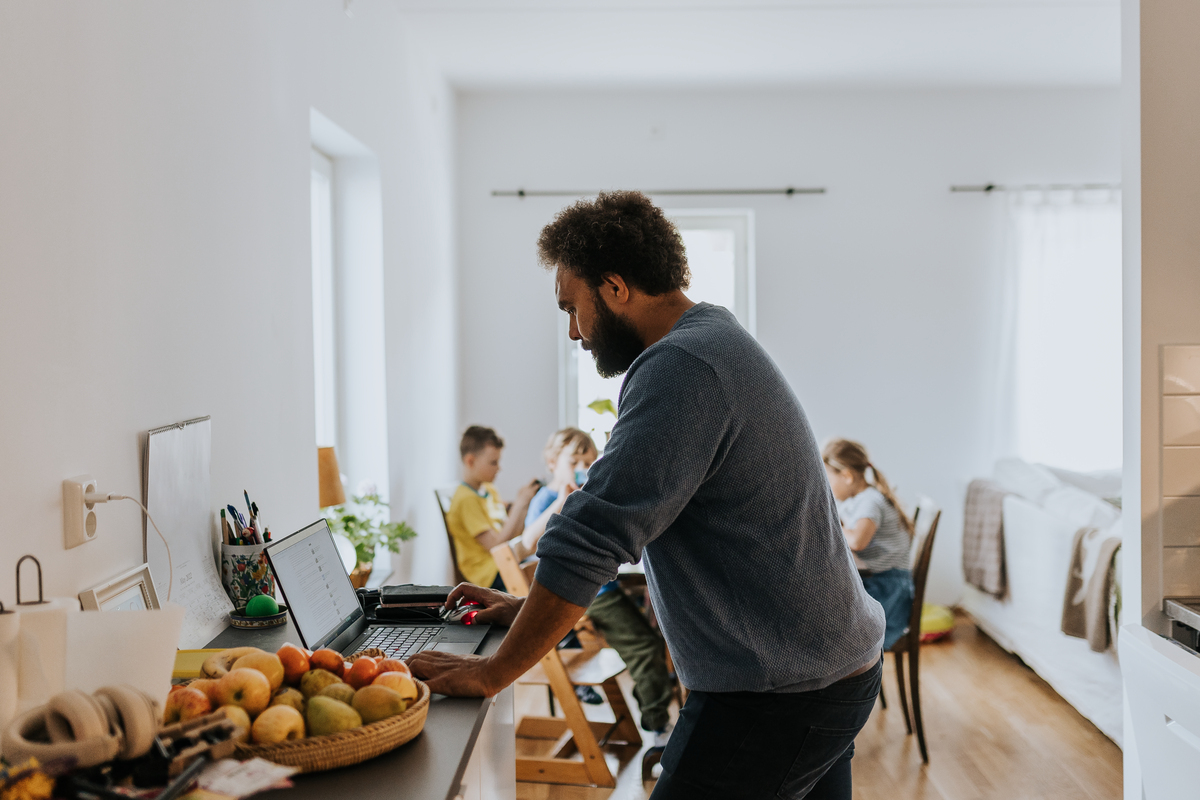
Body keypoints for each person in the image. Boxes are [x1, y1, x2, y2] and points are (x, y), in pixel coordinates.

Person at [411, 191, 885, 800]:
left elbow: (592, 533)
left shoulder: (683, 365)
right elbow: (632, 514)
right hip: (828, 669)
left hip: (780, 691)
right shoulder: (712, 338)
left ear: (614, 288)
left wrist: (494, 672)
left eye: (572, 308)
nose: (576, 332)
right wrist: (523, 608)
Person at [520, 427, 674, 740]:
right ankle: (659, 725)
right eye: (574, 460)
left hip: (602, 588)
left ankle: (655, 715)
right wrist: (563, 501)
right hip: (587, 594)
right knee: (646, 646)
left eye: (589, 462)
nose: (582, 468)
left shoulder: (587, 497)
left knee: (652, 638)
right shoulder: (547, 498)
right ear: (552, 462)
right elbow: (527, 542)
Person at [822, 439, 915, 651]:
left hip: (888, 588)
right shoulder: (857, 499)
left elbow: (857, 541)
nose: (826, 484)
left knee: (827, 610)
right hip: (882, 582)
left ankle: (844, 673)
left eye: (828, 478)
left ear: (846, 476)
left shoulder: (870, 501)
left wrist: (832, 525)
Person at [444, 425, 541, 590]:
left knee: (545, 563)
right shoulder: (466, 500)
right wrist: (518, 506)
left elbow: (511, 535)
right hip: (487, 573)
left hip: (504, 561)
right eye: (493, 462)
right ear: (470, 461)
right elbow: (496, 547)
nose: (499, 468)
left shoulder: (489, 490)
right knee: (545, 572)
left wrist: (523, 506)